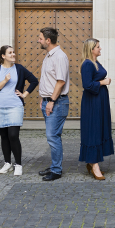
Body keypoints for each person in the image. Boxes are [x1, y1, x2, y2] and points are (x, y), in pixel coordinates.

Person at [0, 45, 38, 177]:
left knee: (13, 135)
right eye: (10, 53)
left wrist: (25, 94)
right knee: (4, 137)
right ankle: (7, 163)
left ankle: (18, 165)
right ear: (3, 56)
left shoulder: (19, 68)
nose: (13, 54)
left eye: (14, 52)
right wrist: (4, 81)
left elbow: (34, 80)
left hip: (15, 106)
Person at [37, 27, 70, 182]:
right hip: (49, 102)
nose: (39, 40)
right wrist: (43, 98)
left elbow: (60, 81)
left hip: (57, 103)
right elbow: (48, 80)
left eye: (40, 38)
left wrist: (50, 101)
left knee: (52, 136)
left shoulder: (59, 57)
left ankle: (56, 170)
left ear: (48, 40)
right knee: (53, 137)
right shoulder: (49, 56)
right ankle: (54, 165)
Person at [79, 38, 114, 180]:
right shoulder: (87, 64)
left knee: (99, 129)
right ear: (91, 49)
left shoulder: (95, 62)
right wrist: (103, 82)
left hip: (99, 100)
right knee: (93, 130)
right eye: (98, 47)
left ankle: (91, 161)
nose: (100, 49)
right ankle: (94, 164)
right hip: (92, 102)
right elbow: (87, 85)